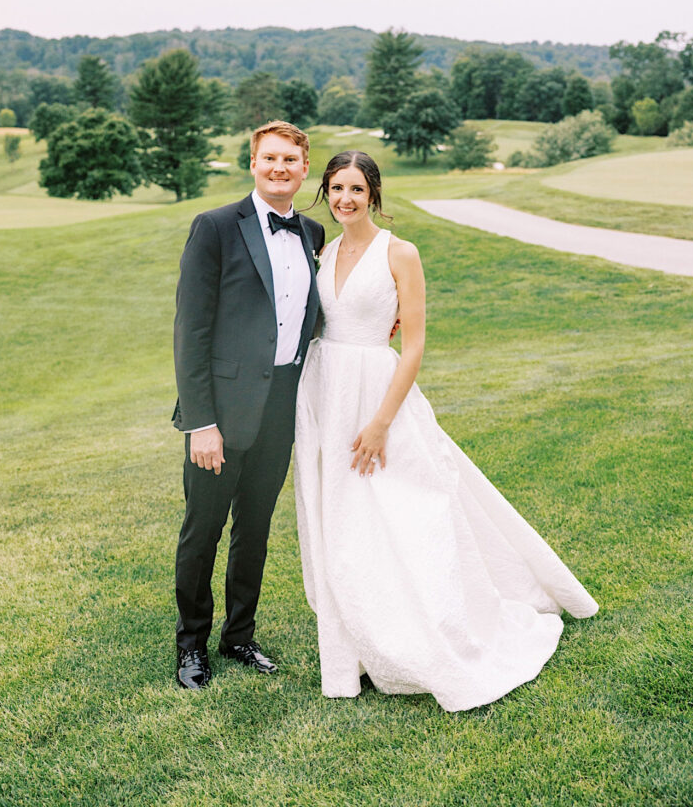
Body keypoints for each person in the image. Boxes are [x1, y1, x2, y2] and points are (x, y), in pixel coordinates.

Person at [292, 150, 598, 711]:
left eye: (356, 189)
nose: (345, 199)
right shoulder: (324, 251)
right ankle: (352, 647)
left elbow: (414, 345)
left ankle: (434, 634)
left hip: (378, 397)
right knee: (342, 522)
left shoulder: (400, 252)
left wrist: (381, 422)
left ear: (374, 195)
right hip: (324, 395)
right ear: (326, 194)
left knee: (408, 513)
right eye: (336, 188)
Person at [172, 121, 326, 689]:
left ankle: (239, 636)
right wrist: (201, 422)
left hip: (282, 408)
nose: (280, 167)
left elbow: (308, 315)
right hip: (221, 413)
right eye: (269, 158)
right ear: (253, 163)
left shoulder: (311, 233)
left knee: (255, 528)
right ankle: (191, 646)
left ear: (304, 168)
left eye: (291, 159)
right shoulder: (214, 228)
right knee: (202, 529)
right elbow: (191, 332)